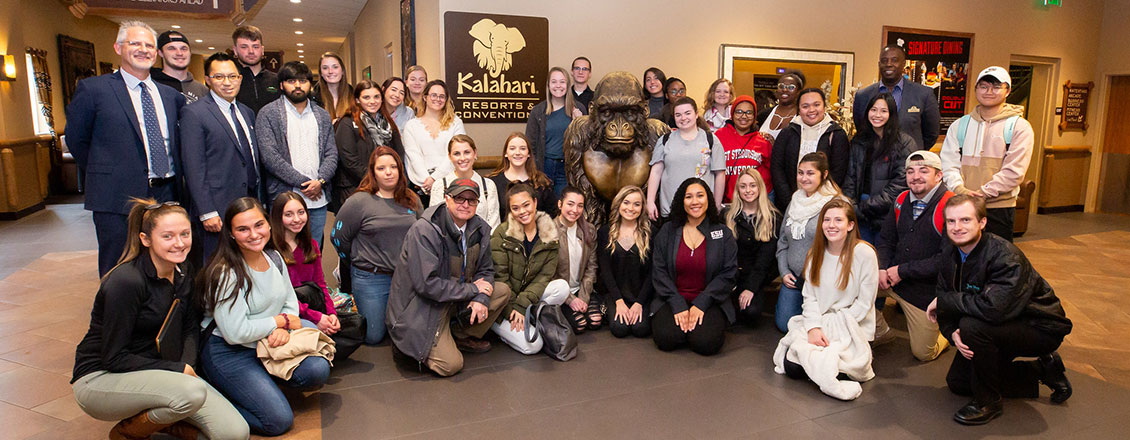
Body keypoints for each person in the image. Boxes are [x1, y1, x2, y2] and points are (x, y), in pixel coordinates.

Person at [71, 199, 247, 440]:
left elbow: (189, 328)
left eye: (185, 234)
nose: (179, 243)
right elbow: (113, 357)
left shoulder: (183, 271)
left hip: (157, 371)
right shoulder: (126, 281)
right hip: (100, 377)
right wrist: (177, 370)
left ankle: (165, 421)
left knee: (234, 433)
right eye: (168, 236)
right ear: (145, 239)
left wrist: (187, 367)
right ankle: (128, 431)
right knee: (192, 393)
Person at [927, 195, 1072, 425]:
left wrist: (947, 303)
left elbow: (993, 309)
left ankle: (988, 402)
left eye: (965, 220)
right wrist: (951, 330)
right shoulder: (950, 254)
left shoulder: (1006, 256)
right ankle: (1041, 369)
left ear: (982, 222)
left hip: (1040, 327)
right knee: (958, 383)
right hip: (1000, 324)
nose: (957, 227)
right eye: (951, 222)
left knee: (972, 326)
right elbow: (945, 297)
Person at [196, 197, 331, 436]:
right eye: (242, 229)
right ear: (231, 234)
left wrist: (283, 327)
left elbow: (289, 301)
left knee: (317, 369)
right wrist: (279, 323)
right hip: (229, 350)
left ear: (269, 224)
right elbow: (235, 332)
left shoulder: (274, 258)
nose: (253, 234)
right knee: (277, 421)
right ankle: (212, 405)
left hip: (265, 341)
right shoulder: (226, 273)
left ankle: (260, 386)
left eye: (259, 225)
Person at [65, 20, 186, 276]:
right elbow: (77, 140)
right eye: (135, 43)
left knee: (165, 261)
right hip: (116, 196)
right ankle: (117, 316)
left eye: (149, 45)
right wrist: (109, 171)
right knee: (118, 266)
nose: (143, 49)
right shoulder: (94, 90)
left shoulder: (170, 95)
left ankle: (162, 314)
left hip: (166, 192)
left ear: (157, 52)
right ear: (118, 48)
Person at [387, 179, 510, 375]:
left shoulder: (480, 229)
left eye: (472, 200)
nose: (465, 205)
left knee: (501, 291)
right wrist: (473, 290)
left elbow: (486, 271)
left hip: (453, 299)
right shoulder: (425, 230)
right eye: (459, 198)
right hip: (424, 306)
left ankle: (459, 335)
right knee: (450, 365)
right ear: (446, 199)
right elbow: (427, 285)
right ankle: (412, 345)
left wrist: (480, 298)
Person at [772, 199, 878, 401]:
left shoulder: (864, 254)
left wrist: (832, 328)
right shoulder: (815, 254)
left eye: (838, 220)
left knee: (844, 368)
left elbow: (864, 303)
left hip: (850, 324)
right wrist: (813, 327)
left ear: (850, 225)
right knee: (792, 367)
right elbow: (809, 296)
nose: (831, 225)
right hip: (821, 321)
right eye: (827, 220)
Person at [333, 147, 421, 345]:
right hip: (371, 277)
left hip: (405, 276)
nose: (388, 172)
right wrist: (356, 261)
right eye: (381, 168)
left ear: (400, 169)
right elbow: (338, 239)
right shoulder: (358, 201)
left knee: (408, 330)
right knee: (373, 336)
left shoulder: (411, 199)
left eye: (393, 167)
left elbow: (423, 236)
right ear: (373, 172)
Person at [181, 51, 261, 259]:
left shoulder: (246, 112)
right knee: (218, 266)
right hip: (217, 208)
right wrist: (207, 211)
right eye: (219, 77)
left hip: (248, 203)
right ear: (207, 80)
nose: (227, 82)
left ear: (240, 78)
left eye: (232, 76)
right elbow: (193, 167)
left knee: (245, 262)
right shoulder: (195, 113)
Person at [940, 66, 1034, 242]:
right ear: (976, 89)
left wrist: (983, 193)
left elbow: (1014, 172)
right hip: (961, 206)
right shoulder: (960, 125)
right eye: (983, 86)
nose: (989, 91)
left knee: (996, 261)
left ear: (1008, 91)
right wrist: (961, 190)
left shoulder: (1019, 127)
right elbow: (948, 164)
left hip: (999, 209)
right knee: (958, 260)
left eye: (996, 87)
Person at [876, 150, 953, 362]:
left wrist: (902, 271)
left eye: (923, 171)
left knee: (923, 353)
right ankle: (880, 330)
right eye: (910, 171)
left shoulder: (952, 207)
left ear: (939, 176)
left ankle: (945, 333)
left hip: (925, 292)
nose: (915, 176)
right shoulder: (901, 200)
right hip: (892, 279)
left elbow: (945, 260)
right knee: (852, 287)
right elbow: (886, 240)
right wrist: (882, 268)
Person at [650, 178, 738, 355]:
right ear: (681, 201)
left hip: (710, 299)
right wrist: (677, 303)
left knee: (705, 343)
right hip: (673, 297)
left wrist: (702, 302)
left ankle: (693, 329)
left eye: (700, 195)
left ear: (709, 199)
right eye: (689, 197)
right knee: (666, 339)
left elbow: (729, 273)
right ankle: (684, 327)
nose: (695, 201)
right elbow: (658, 271)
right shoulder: (667, 231)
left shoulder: (723, 234)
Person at [256, 61, 338, 243]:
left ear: (311, 84)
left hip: (318, 199)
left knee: (314, 250)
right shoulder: (268, 114)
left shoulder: (322, 115)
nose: (298, 86)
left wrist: (321, 181)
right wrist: (306, 183)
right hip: (285, 199)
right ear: (281, 85)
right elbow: (270, 157)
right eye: (292, 81)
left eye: (303, 81)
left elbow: (331, 153)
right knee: (285, 251)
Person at [489, 183, 570, 355]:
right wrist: (513, 309)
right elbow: (500, 279)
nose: (522, 211)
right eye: (515, 208)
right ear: (510, 210)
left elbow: (544, 276)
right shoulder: (502, 234)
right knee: (533, 346)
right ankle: (497, 328)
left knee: (562, 287)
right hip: (504, 305)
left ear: (534, 202)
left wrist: (522, 305)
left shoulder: (550, 232)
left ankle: (529, 316)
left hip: (526, 300)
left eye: (526, 205)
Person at [775, 152, 844, 332]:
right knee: (785, 325)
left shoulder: (836, 204)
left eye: (810, 173)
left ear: (824, 174)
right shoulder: (795, 200)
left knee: (823, 328)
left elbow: (842, 248)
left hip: (822, 282)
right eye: (800, 173)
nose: (804, 178)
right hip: (794, 280)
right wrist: (784, 272)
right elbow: (783, 241)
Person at [843, 92, 913, 244]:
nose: (877, 115)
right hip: (859, 212)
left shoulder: (904, 143)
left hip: (887, 213)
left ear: (891, 114)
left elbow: (901, 182)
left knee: (881, 260)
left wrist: (867, 206)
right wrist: (851, 205)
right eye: (873, 110)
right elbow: (850, 177)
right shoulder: (859, 140)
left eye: (883, 111)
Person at [269, 192, 338, 338]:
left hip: (309, 306)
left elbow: (321, 284)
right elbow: (280, 298)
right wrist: (316, 317)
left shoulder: (311, 245)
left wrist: (331, 313)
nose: (296, 219)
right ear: (278, 217)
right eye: (288, 214)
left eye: (301, 213)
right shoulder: (271, 250)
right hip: (283, 312)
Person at [770, 87, 850, 212]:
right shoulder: (788, 132)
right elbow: (777, 167)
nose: (811, 110)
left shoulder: (836, 134)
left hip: (824, 205)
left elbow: (839, 172)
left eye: (816, 105)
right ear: (799, 109)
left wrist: (820, 201)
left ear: (824, 106)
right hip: (789, 203)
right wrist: (790, 200)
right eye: (805, 106)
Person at [647, 96, 725, 222]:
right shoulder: (665, 140)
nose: (683, 118)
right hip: (671, 211)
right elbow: (656, 172)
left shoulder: (711, 140)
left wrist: (716, 205)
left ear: (696, 114)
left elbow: (720, 174)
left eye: (687, 113)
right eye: (678, 115)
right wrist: (650, 201)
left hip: (702, 210)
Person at [853, 45, 941, 151]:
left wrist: (912, 151)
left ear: (903, 64)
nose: (889, 64)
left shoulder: (924, 94)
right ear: (879, 64)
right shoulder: (863, 96)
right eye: (884, 60)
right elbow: (861, 129)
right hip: (873, 162)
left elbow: (932, 134)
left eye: (894, 60)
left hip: (909, 163)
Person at [332, 80, 402, 212]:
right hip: (355, 187)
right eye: (366, 97)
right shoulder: (347, 123)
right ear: (357, 100)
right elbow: (349, 160)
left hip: (385, 188)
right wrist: (375, 179)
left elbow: (399, 154)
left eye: (376, 97)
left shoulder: (388, 123)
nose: (372, 101)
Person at [724, 169, 780, 325]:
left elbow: (765, 260)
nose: (748, 190)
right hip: (732, 275)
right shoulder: (727, 215)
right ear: (738, 190)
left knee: (751, 313)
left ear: (760, 188)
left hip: (755, 276)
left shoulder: (772, 218)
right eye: (743, 186)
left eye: (752, 185)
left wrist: (751, 288)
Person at [598, 186, 653, 338]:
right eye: (626, 202)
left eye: (637, 204)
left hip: (641, 295)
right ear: (619, 204)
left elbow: (652, 273)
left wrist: (639, 303)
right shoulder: (605, 232)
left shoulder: (651, 232)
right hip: (616, 294)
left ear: (642, 208)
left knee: (640, 329)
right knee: (619, 329)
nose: (631, 208)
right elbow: (606, 272)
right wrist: (619, 301)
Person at [526, 66, 588, 195]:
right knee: (543, 208)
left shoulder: (578, 109)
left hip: (566, 169)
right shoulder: (538, 111)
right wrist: (534, 171)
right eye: (554, 82)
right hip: (543, 167)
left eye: (562, 81)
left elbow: (587, 144)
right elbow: (530, 145)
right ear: (548, 85)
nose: (558, 86)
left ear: (567, 84)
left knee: (563, 207)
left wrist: (579, 122)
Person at [401, 79, 466, 196]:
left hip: (452, 185)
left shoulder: (456, 123)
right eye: (434, 95)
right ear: (425, 97)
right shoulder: (411, 126)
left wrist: (435, 179)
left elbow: (457, 153)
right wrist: (427, 182)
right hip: (422, 187)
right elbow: (413, 156)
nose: (438, 99)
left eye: (442, 96)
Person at [427, 134, 501, 229]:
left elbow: (493, 227)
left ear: (475, 153)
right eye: (457, 154)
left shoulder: (488, 186)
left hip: (482, 242)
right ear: (449, 156)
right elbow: (434, 225)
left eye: (467, 152)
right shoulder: (440, 185)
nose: (462, 158)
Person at [554, 187, 599, 333]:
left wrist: (583, 297)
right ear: (560, 204)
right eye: (570, 204)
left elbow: (591, 267)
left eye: (580, 206)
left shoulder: (589, 230)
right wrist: (570, 299)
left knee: (595, 320)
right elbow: (547, 274)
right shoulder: (548, 231)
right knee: (580, 325)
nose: (575, 210)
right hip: (561, 292)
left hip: (581, 288)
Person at [715, 94, 773, 203]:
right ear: (732, 114)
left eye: (749, 112)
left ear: (754, 116)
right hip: (728, 201)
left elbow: (771, 171)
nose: (744, 116)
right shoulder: (719, 136)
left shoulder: (763, 141)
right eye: (739, 112)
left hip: (758, 202)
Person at [486, 132, 558, 218]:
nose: (517, 152)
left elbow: (551, 216)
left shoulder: (542, 182)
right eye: (512, 148)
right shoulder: (492, 182)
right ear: (506, 153)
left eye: (522, 149)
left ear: (528, 154)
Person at [231, 25, 279, 114]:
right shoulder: (230, 81)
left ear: (262, 49)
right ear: (235, 50)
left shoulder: (277, 80)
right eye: (244, 47)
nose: (251, 51)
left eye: (255, 47)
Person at [150, 30, 208, 103]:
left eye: (184, 48)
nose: (179, 53)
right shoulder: (151, 86)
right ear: (160, 53)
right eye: (172, 48)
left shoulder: (202, 90)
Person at [760, 69, 805, 141]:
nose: (785, 90)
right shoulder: (763, 115)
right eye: (781, 86)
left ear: (798, 92)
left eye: (791, 87)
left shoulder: (803, 118)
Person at [310, 52, 352, 123]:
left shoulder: (354, 95)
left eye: (335, 67)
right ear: (321, 73)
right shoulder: (312, 99)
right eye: (325, 68)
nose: (330, 71)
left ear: (342, 71)